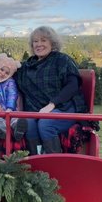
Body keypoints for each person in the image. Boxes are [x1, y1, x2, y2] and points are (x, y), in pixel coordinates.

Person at [15, 26, 87, 154]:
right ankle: (37, 160)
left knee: (46, 124)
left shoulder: (62, 60)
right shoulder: (27, 66)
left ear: (52, 43)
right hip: (37, 109)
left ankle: (54, 163)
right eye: (35, 41)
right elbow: (3, 70)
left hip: (64, 107)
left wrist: (52, 104)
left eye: (43, 40)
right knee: (29, 123)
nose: (39, 44)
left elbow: (73, 85)